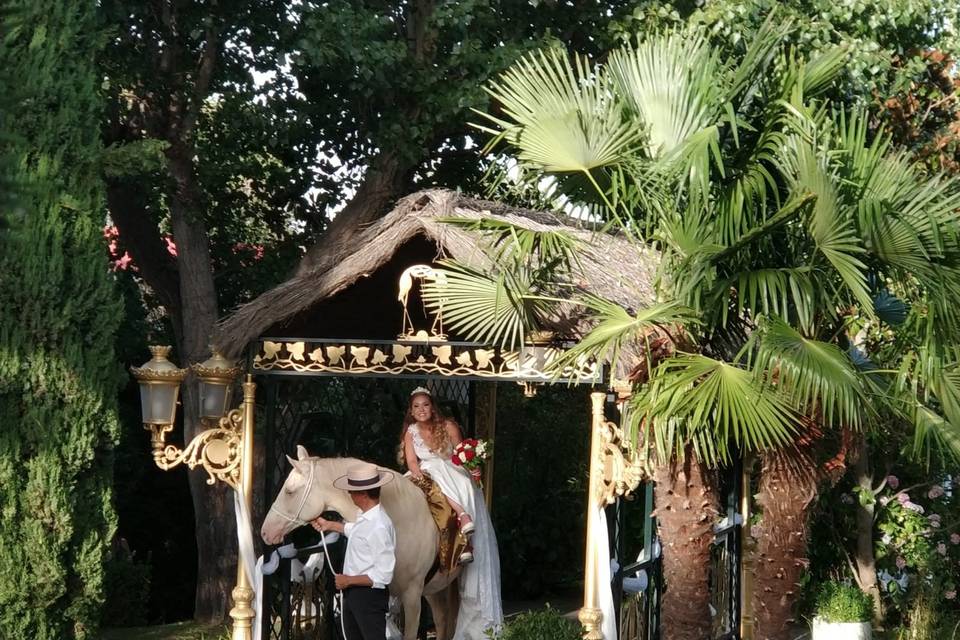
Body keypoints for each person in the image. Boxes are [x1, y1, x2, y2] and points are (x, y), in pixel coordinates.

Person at [402, 386, 503, 638]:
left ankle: (463, 532)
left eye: (425, 405)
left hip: (452, 474)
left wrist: (474, 468)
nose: (421, 410)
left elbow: (462, 456)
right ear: (411, 411)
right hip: (424, 475)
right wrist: (420, 477)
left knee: (440, 474)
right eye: (416, 407)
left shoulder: (448, 426)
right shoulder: (410, 433)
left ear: (432, 406)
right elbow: (413, 463)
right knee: (419, 485)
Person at [311, 462, 396, 640]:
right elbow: (355, 531)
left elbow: (384, 574)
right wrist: (329, 525)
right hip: (355, 595)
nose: (349, 494)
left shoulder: (378, 525)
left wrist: (348, 580)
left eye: (352, 491)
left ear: (363, 494)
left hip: (368, 598)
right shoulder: (366, 519)